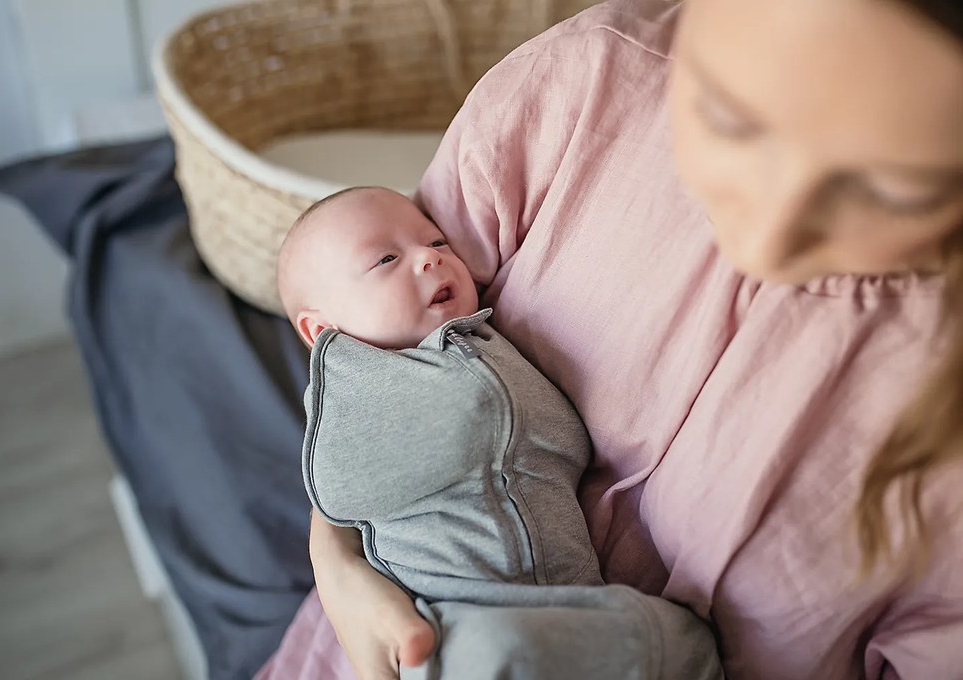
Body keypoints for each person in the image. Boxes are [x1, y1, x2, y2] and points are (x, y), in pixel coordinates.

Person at [257, 0, 963, 678]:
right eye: (728, 117)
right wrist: (338, 561)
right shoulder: (582, 84)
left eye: (893, 193)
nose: (765, 242)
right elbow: (370, 362)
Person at [275, 185, 723, 679]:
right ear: (322, 333)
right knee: (495, 650)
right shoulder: (353, 388)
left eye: (438, 242)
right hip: (454, 624)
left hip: (576, 611)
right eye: (385, 260)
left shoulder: (484, 339)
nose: (428, 257)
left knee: (676, 638)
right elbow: (337, 489)